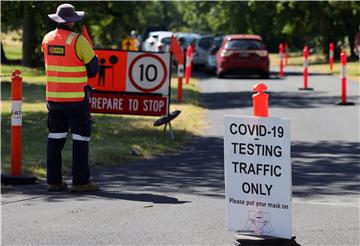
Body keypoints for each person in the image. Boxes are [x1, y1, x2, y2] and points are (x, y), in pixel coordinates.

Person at [41, 3, 99, 192]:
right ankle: (81, 182)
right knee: (80, 139)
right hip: (75, 100)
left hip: (54, 100)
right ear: (72, 22)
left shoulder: (47, 39)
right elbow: (93, 70)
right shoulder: (78, 41)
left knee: (55, 139)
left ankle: (54, 181)